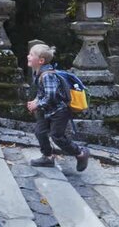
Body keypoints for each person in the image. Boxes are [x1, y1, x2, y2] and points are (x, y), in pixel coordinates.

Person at [26, 43, 89, 171]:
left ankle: (81, 153)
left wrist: (37, 104)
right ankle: (48, 157)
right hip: (46, 110)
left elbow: (51, 95)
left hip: (59, 111)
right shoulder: (38, 73)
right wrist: (35, 101)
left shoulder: (47, 75)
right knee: (40, 132)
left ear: (41, 60)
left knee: (57, 137)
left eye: (31, 55)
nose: (28, 56)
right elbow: (42, 92)